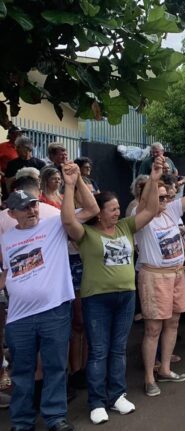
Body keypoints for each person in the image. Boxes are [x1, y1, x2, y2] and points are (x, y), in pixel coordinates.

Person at [62, 157, 162, 424]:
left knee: (117, 349)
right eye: (112, 209)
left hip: (125, 296)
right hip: (97, 299)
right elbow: (68, 218)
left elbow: (151, 209)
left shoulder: (125, 227)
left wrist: (153, 180)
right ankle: (96, 402)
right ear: (99, 212)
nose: (117, 212)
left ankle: (117, 395)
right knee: (99, 350)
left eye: (119, 208)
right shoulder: (85, 233)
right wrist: (71, 184)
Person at [1, 162, 98, 431]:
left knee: (55, 367)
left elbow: (91, 210)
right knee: (22, 373)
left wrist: (73, 183)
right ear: (11, 213)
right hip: (19, 317)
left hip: (54, 310)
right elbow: (5, 272)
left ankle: (55, 417)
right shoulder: (6, 239)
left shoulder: (54, 223)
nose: (32, 210)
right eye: (24, 207)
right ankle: (22, 422)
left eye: (33, 205)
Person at [135, 155, 185, 396]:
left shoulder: (170, 210)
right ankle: (149, 377)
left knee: (173, 323)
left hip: (177, 273)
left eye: (167, 196)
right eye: (160, 197)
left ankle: (165, 369)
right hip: (155, 276)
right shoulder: (140, 217)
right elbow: (145, 206)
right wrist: (153, 179)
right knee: (153, 329)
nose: (166, 201)